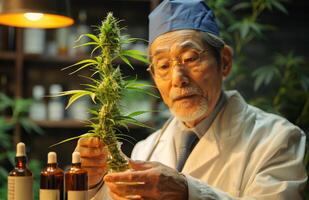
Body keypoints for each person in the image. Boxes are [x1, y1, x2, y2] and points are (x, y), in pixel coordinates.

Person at [75, 0, 308, 199]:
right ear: (154, 77)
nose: (178, 78)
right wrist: (95, 183)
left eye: (190, 58)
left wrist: (188, 192)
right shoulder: (145, 149)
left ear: (224, 61)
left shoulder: (278, 140)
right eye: (164, 65)